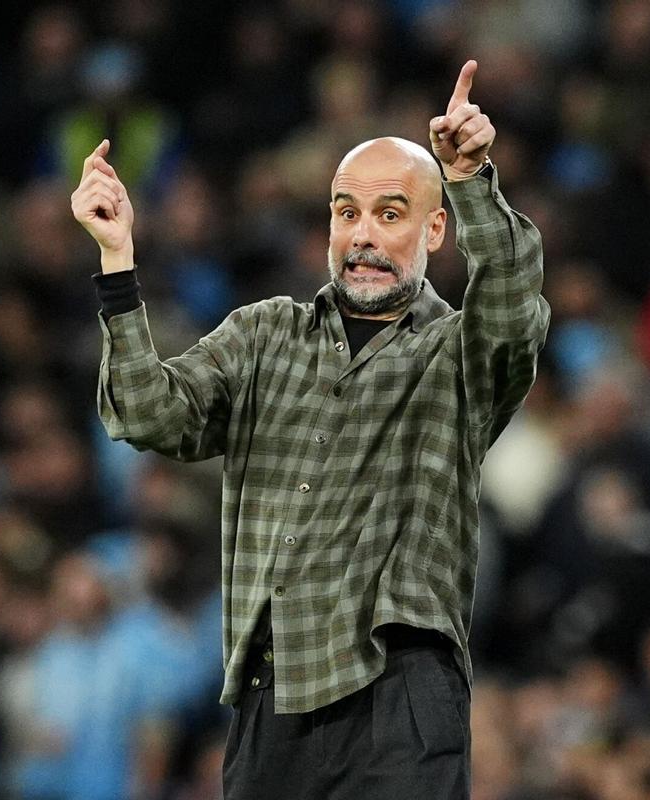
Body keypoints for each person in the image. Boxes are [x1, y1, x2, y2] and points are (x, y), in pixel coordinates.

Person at [71, 59, 550, 799]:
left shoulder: (460, 355)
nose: (362, 234)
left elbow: (515, 308)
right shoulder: (262, 334)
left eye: (390, 215)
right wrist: (117, 261)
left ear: (435, 228)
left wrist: (471, 178)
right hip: (272, 694)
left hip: (402, 688)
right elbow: (145, 412)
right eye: (345, 211)